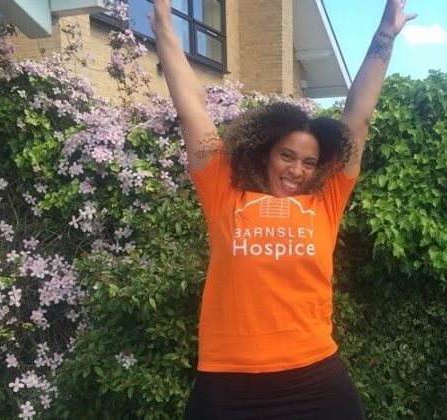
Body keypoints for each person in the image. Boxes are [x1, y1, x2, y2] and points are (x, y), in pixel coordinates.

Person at [150, 0, 416, 418]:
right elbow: (193, 110)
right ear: (265, 153)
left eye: (309, 162)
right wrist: (164, 20)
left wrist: (384, 38)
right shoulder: (224, 192)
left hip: (313, 379)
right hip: (228, 384)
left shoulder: (325, 202)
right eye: (286, 156)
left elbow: (357, 118)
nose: (296, 170)